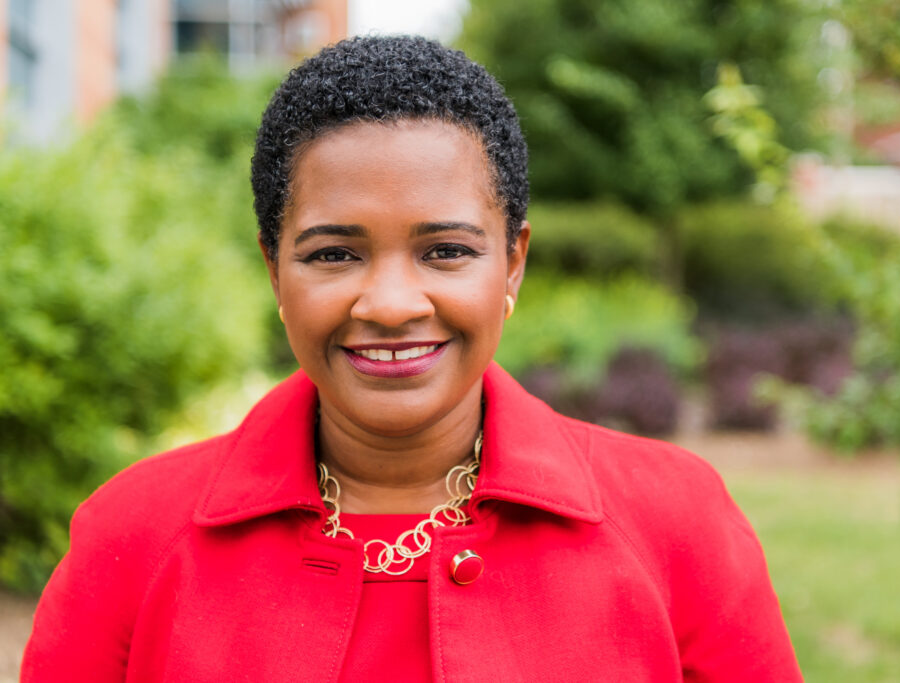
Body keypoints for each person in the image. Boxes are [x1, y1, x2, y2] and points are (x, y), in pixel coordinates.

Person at [21, 36, 802, 682]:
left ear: (513, 264)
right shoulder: (131, 538)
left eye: (446, 250)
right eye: (333, 254)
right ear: (275, 271)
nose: (391, 303)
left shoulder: (677, 523)